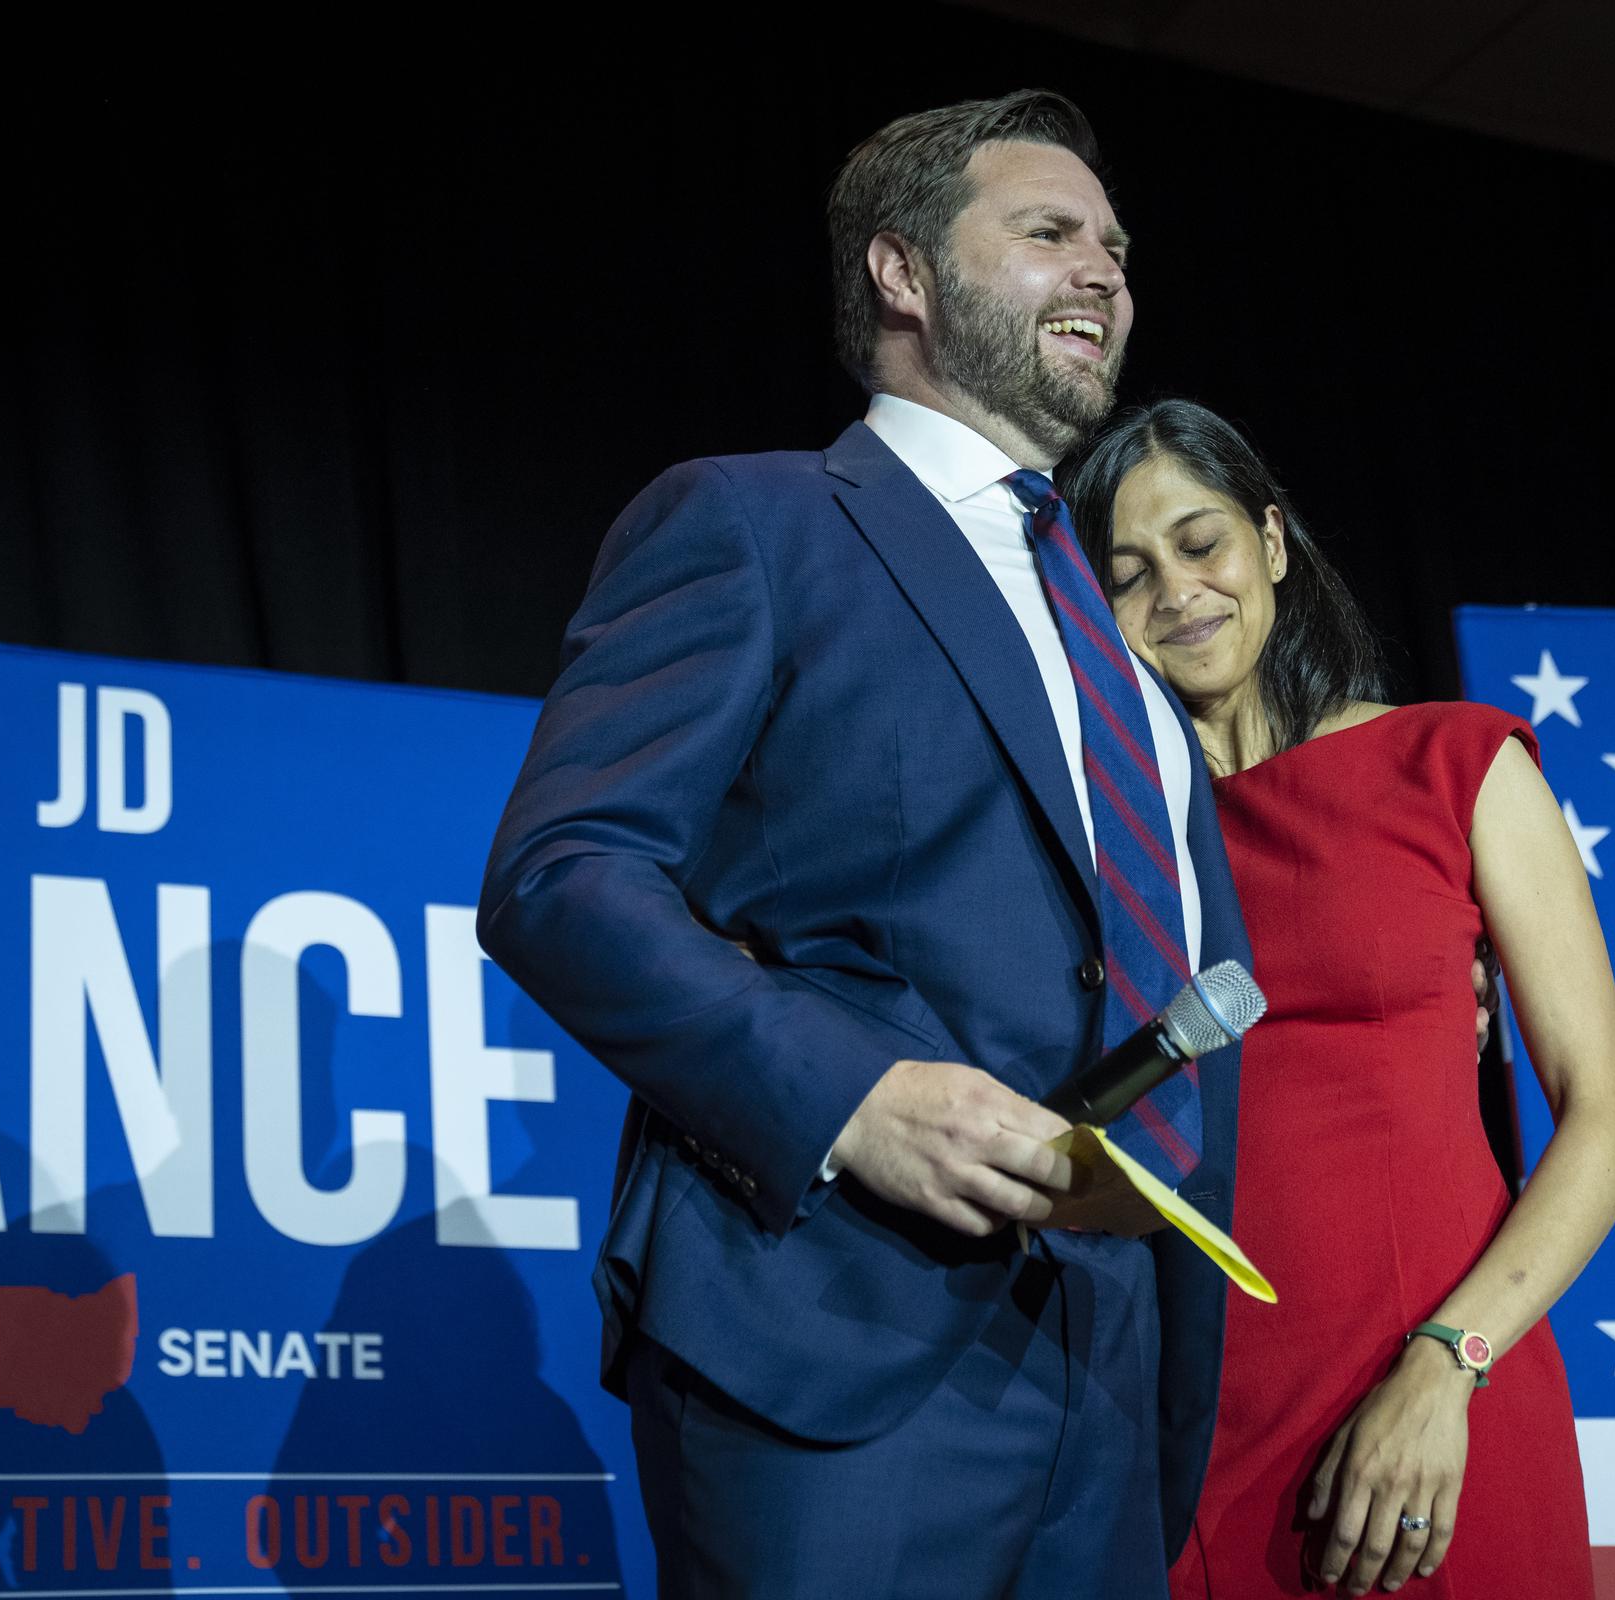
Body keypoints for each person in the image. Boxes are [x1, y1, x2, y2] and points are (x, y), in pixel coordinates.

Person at [476, 93, 1252, 1597]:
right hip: (833, 1338)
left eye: (1117, 247)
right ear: (904, 274)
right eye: (1048, 234)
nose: (1104, 272)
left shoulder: (1125, 643)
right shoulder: (755, 524)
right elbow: (560, 875)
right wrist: (857, 1095)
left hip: (1112, 1369)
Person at [1063, 400, 1615, 1599]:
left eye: (1200, 541)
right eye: (1128, 574)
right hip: (1193, 1422)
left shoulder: (1456, 763)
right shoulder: (1105, 847)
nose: (1176, 588)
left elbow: (1607, 1120)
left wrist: (1449, 1360)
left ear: (1272, 543)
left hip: (1443, 1403)